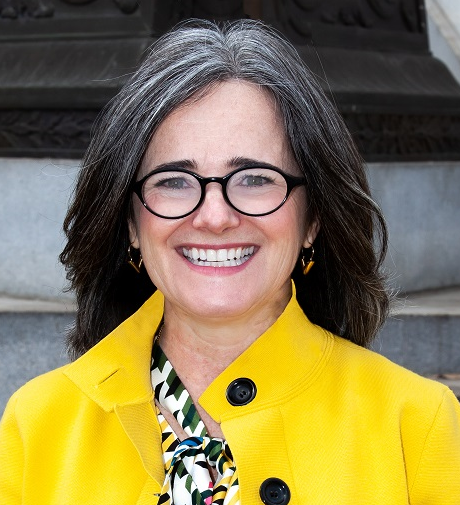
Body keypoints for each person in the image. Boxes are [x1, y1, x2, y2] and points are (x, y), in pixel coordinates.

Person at [1, 18, 459, 505]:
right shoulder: (37, 425)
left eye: (255, 179)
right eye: (174, 181)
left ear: (313, 220)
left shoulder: (419, 425)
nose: (215, 216)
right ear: (131, 224)